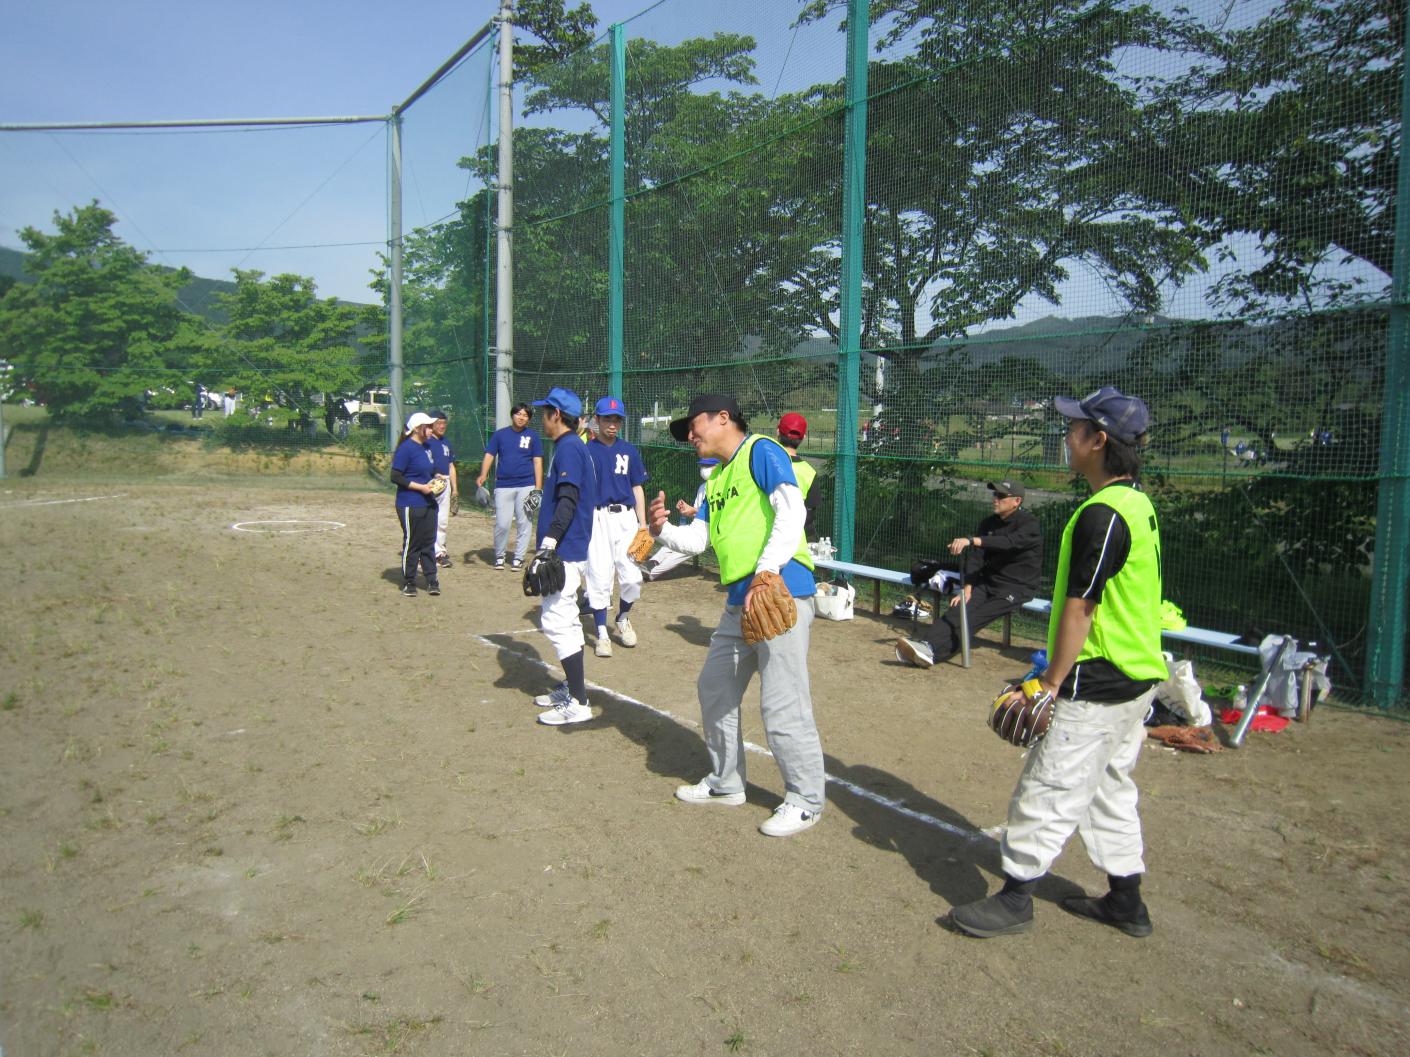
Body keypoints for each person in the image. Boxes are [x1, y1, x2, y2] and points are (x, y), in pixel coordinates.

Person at [949, 387, 1166, 939]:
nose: (1067, 436)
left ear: (1099, 441)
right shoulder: (1136, 501)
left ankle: (1015, 897)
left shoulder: (1104, 514)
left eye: (1075, 428)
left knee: (1049, 784)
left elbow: (1081, 606)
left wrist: (1049, 681)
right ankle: (1126, 901)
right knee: (1108, 787)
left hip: (1099, 676)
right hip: (1136, 673)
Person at [648, 394, 826, 838]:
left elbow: (792, 509)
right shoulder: (718, 479)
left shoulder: (760, 450)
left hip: (781, 591)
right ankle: (727, 782)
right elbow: (700, 539)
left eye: (694, 426)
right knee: (715, 687)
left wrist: (766, 571)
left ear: (723, 418)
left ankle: (806, 800)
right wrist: (662, 531)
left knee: (782, 702)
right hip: (739, 602)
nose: (690, 436)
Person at [894, 479, 1042, 668]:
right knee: (958, 610)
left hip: (1015, 588)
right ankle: (925, 645)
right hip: (987, 582)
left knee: (971, 619)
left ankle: (932, 653)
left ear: (1017, 501)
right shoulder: (988, 523)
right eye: (994, 495)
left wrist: (972, 540)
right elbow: (976, 559)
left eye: (1001, 496)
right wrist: (968, 587)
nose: (995, 499)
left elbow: (1009, 542)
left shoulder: (1029, 524)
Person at [528, 387, 598, 726]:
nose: (542, 418)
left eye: (545, 412)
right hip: (569, 547)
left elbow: (569, 498)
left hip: (565, 550)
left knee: (557, 621)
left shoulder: (569, 447)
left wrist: (550, 541)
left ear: (557, 415)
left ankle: (579, 703)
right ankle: (573, 690)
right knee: (565, 621)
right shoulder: (571, 446)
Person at [584, 396, 650, 657]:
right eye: (607, 418)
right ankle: (601, 633)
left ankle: (622, 618)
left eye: (617, 419)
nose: (612, 424)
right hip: (598, 517)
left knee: (632, 577)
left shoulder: (628, 450)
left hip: (626, 518)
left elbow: (637, 487)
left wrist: (642, 524)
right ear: (597, 420)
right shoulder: (587, 451)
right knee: (599, 576)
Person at [476, 403, 544, 570]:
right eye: (519, 414)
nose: (521, 417)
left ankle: (519, 558)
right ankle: (500, 556)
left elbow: (537, 462)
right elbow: (489, 455)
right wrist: (483, 474)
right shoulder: (500, 435)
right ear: (512, 415)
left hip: (526, 484)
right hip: (504, 484)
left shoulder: (533, 436)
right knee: (502, 523)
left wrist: (538, 488)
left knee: (524, 522)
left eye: (525, 415)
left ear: (529, 419)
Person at [390, 412, 445, 597]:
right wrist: (420, 487)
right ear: (416, 428)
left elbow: (429, 468)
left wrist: (436, 475)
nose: (431, 429)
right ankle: (409, 581)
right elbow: (396, 476)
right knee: (413, 542)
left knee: (429, 542)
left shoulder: (426, 447)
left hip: (428, 502)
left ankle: (431, 579)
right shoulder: (406, 448)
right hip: (410, 502)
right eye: (427, 426)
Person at [643, 457, 717, 580]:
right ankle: (653, 562)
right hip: (699, 526)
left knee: (683, 549)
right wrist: (687, 510)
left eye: (708, 466)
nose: (704, 469)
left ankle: (652, 572)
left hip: (712, 532)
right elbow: (699, 514)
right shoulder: (703, 487)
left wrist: (694, 510)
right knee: (676, 541)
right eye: (703, 466)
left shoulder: (723, 486)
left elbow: (715, 513)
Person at [776, 412, 820, 534]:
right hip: (797, 539)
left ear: (778, 432)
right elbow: (810, 514)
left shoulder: (764, 463)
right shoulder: (809, 472)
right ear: (804, 437)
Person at [427, 410, 459, 569]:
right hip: (429, 482)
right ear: (431, 424)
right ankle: (425, 552)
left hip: (444, 482)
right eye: (438, 423)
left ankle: (439, 553)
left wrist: (455, 489)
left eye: (444, 423)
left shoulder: (446, 442)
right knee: (427, 518)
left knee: (442, 520)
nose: (442, 426)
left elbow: (451, 466)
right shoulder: (426, 441)